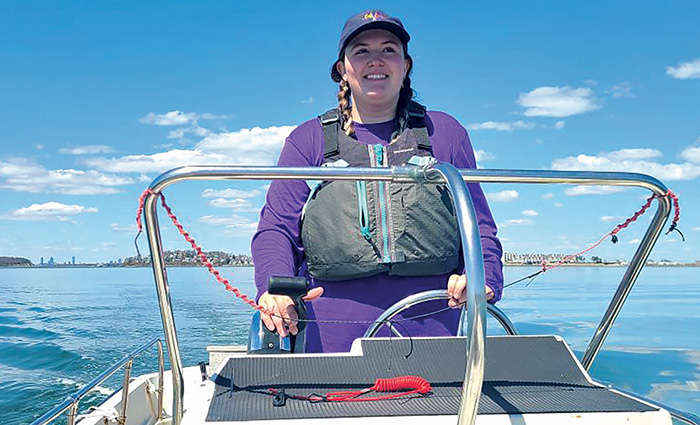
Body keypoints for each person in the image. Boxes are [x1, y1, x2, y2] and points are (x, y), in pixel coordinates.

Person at [251, 10, 503, 353]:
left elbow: (480, 227)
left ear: (406, 65)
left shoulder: (446, 133)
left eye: (388, 50)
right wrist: (275, 288)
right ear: (342, 68)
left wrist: (484, 276)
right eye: (361, 51)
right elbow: (276, 229)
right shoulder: (306, 140)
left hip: (436, 338)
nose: (376, 61)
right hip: (328, 343)